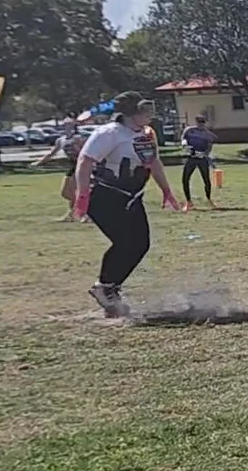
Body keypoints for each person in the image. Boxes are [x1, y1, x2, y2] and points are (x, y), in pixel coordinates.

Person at [70, 92, 180, 316]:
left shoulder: (146, 133)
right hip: (105, 196)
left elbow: (153, 162)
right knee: (125, 243)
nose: (149, 114)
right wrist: (82, 195)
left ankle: (108, 288)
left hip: (131, 197)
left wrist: (166, 190)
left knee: (140, 244)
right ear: (130, 113)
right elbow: (85, 160)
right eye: (143, 110)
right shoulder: (109, 133)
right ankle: (105, 288)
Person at [31, 117, 88, 222]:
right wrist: (39, 162)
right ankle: (79, 210)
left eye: (69, 124)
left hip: (80, 165)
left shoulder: (78, 138)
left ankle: (76, 213)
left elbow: (86, 152)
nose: (67, 126)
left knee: (75, 191)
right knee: (65, 193)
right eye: (65, 125)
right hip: (72, 165)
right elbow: (52, 153)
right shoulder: (61, 140)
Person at [178, 115, 217, 209]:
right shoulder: (189, 130)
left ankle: (209, 199)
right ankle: (188, 202)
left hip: (202, 159)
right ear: (196, 122)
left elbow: (209, 147)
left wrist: (204, 154)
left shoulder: (207, 134)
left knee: (206, 180)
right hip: (191, 158)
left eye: (203, 122)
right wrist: (186, 147)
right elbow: (183, 140)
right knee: (185, 179)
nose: (201, 124)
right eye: (199, 122)